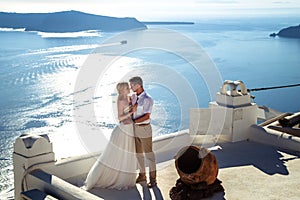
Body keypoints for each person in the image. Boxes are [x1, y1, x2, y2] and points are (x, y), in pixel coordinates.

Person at [81, 82, 137, 190]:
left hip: (130, 129)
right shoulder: (121, 100)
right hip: (124, 130)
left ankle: (126, 178)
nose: (129, 88)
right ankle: (109, 178)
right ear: (122, 90)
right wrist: (131, 112)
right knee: (118, 155)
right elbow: (120, 118)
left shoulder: (129, 98)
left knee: (127, 155)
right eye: (127, 87)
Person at [129, 76, 157, 188]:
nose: (131, 87)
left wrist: (133, 121)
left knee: (149, 155)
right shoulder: (134, 97)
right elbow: (132, 112)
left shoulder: (148, 99)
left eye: (132, 85)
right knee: (139, 154)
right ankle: (142, 176)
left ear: (138, 85)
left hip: (145, 129)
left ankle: (153, 179)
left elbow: (146, 116)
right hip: (136, 129)